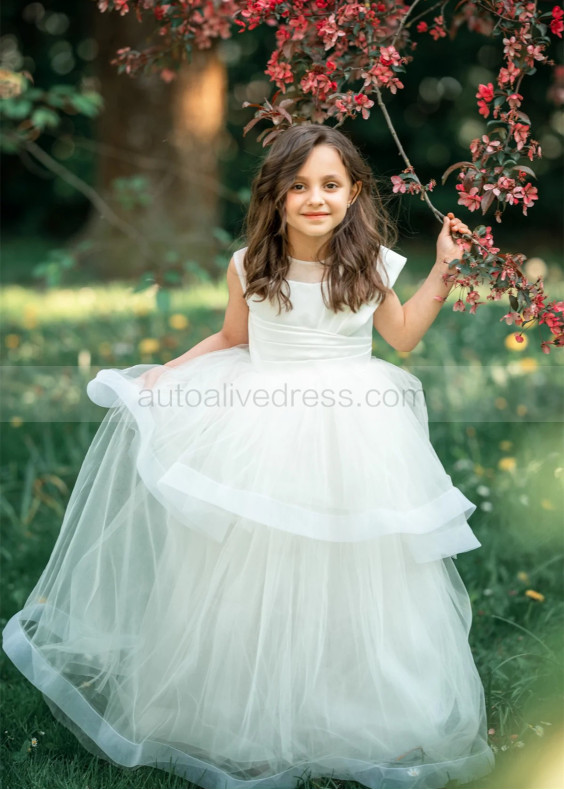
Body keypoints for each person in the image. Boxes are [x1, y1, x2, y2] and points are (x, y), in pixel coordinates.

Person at [2, 124, 496, 790]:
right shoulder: (248, 266)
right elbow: (235, 337)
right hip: (261, 424)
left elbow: (403, 336)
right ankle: (244, 716)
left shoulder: (372, 263)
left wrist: (443, 270)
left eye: (330, 185)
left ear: (353, 193)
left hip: (354, 431)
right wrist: (169, 371)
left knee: (351, 562)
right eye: (299, 186)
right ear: (277, 195)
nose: (315, 198)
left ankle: (350, 704)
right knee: (250, 562)